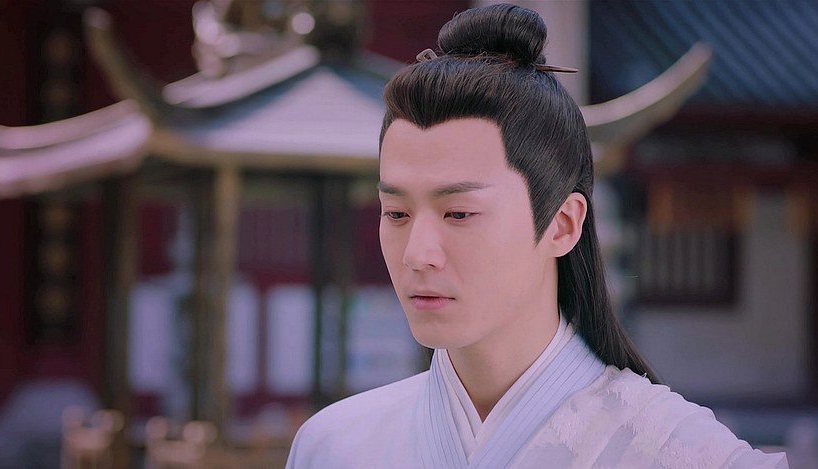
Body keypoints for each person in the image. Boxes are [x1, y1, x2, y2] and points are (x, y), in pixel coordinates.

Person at [286, 4, 788, 468]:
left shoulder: (683, 454)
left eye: (458, 213)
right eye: (396, 213)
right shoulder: (334, 446)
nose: (417, 254)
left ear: (562, 224)